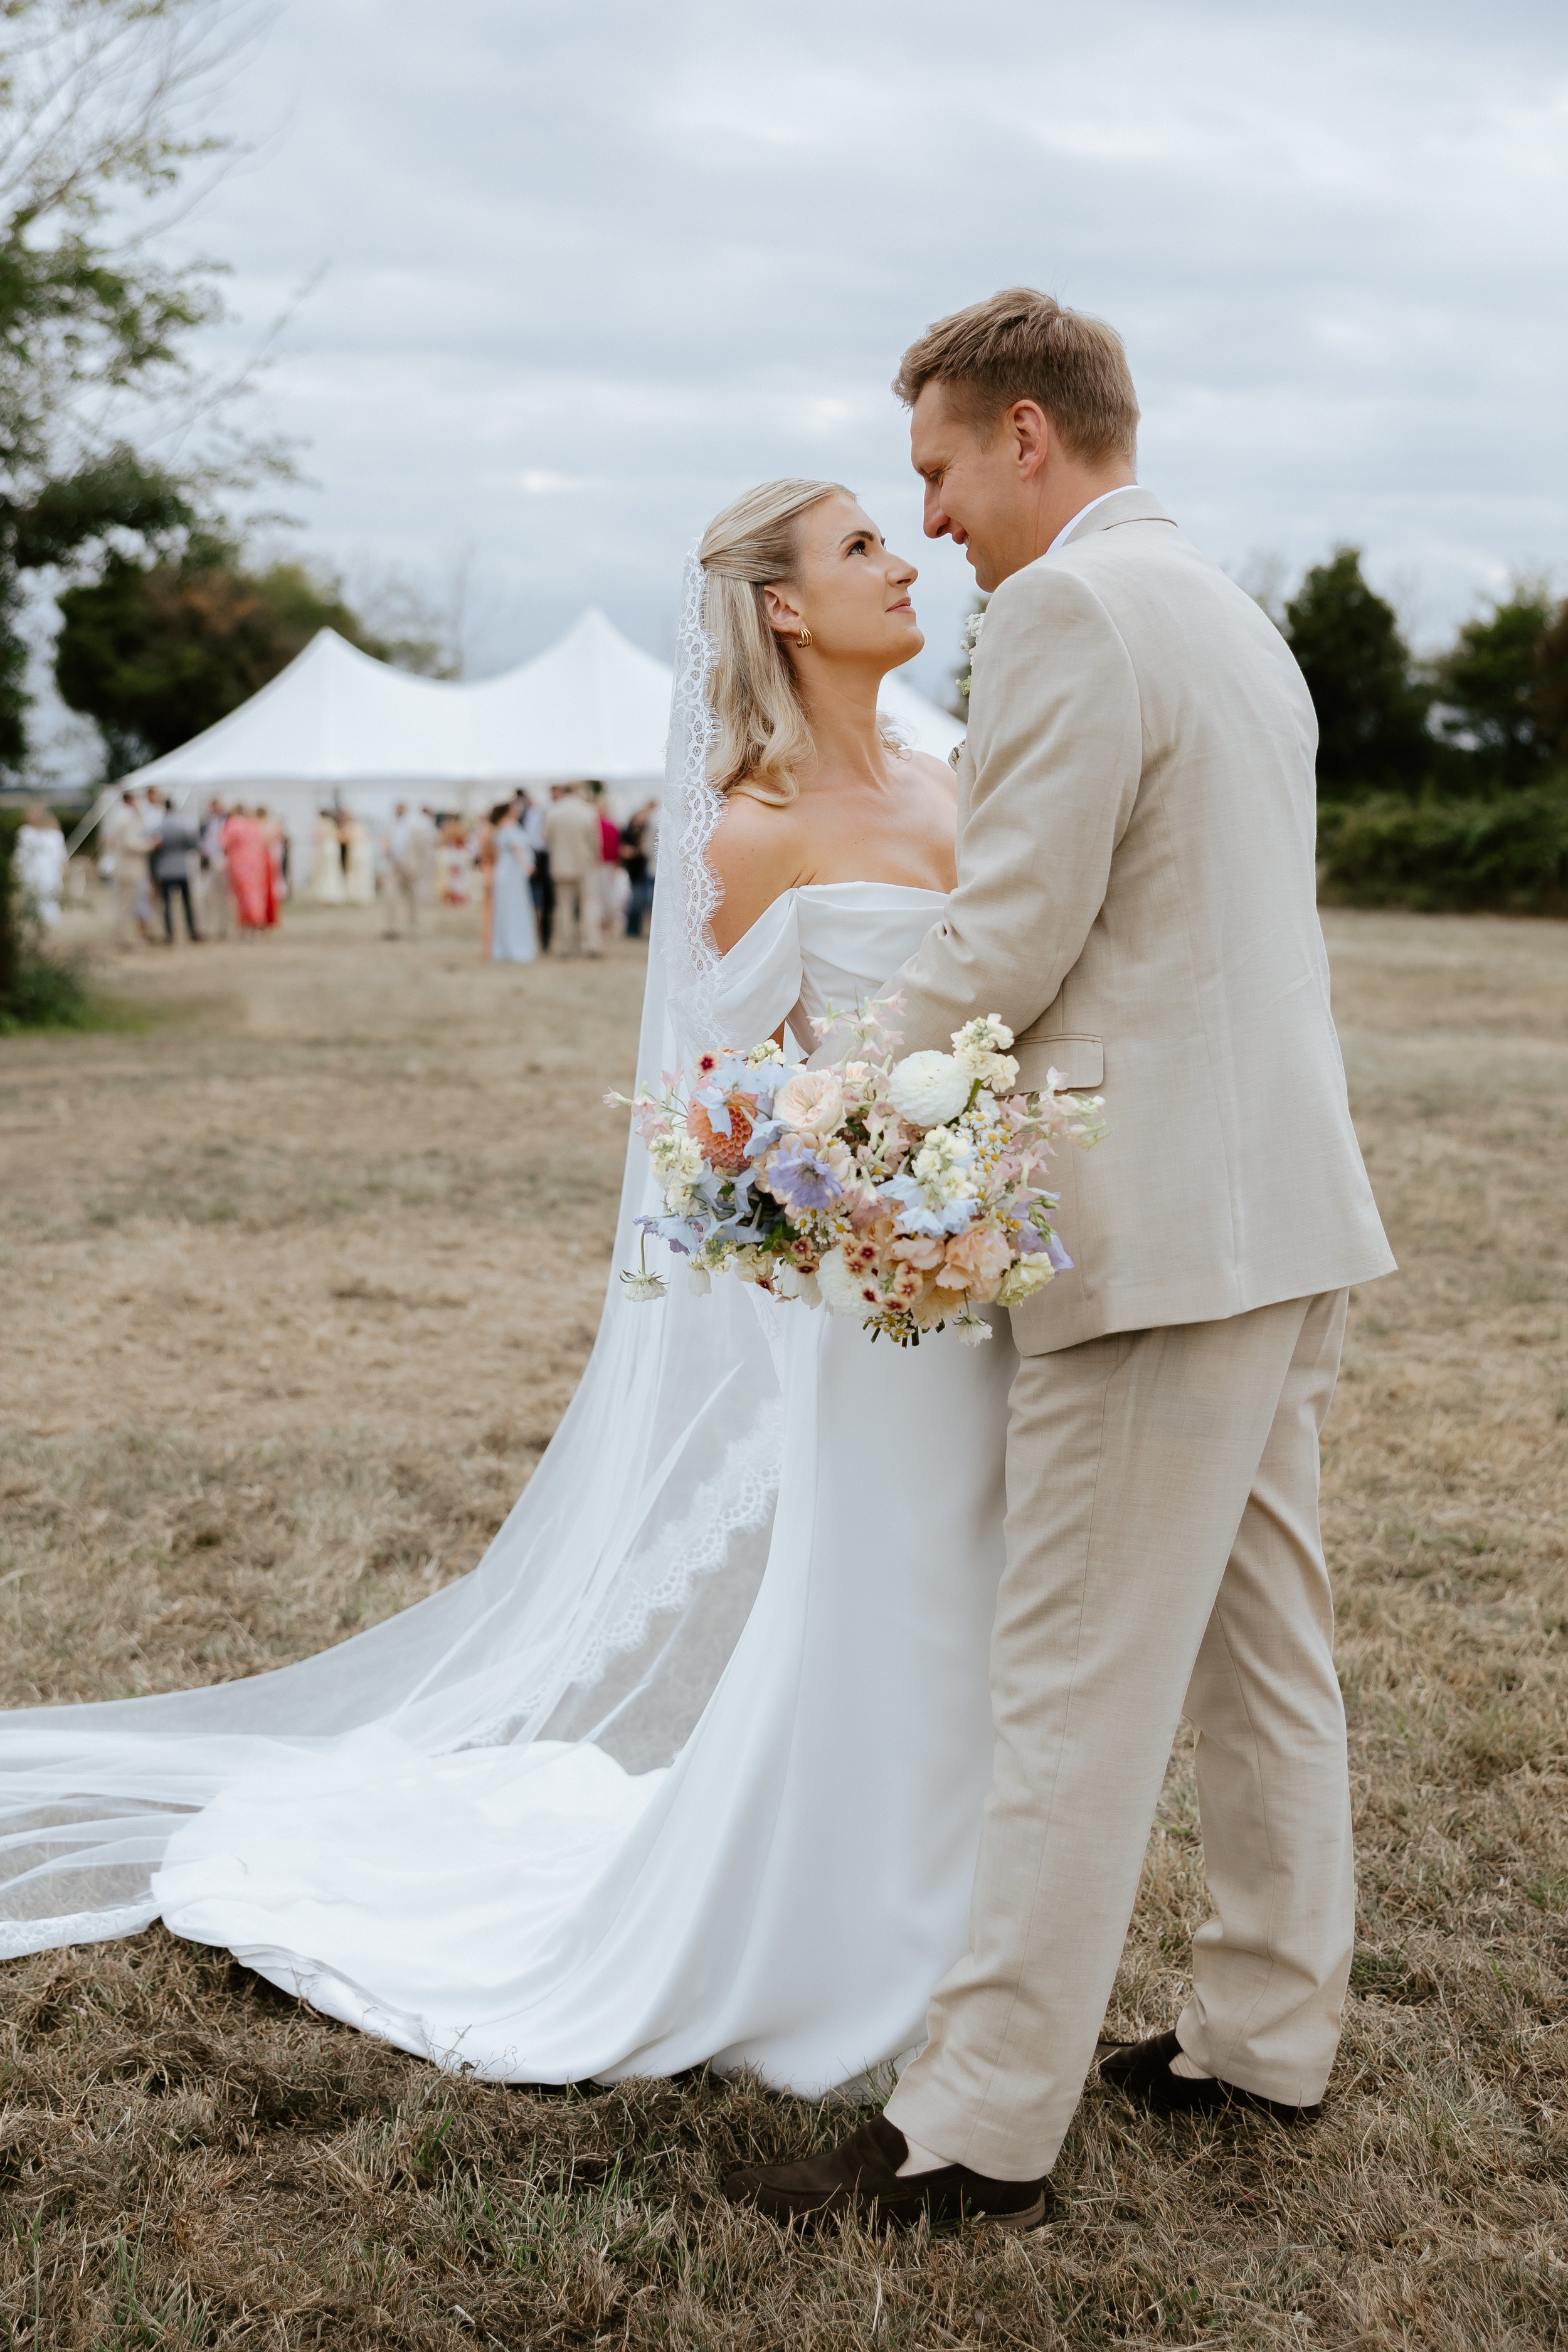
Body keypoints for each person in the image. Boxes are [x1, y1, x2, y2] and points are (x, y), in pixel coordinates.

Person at [0, 472, 1016, 2112]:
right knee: (886, 1601)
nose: (902, 560)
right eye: (859, 546)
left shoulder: (957, 774)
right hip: (874, 1290)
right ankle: (849, 1944)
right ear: (779, 606)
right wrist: (865, 1206)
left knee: (984, 1605)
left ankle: (976, 1926)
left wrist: (997, 1161)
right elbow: (735, 1107)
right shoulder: (753, 826)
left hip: (996, 1266)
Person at [728, 290, 1394, 2230]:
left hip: (1160, 1234)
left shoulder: (1069, 615)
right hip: (1276, 1209)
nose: (927, 517)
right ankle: (1265, 2029)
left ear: (1026, 433)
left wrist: (825, 1108)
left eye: (932, 466)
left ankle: (975, 2120)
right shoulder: (1219, 602)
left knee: (1072, 1674)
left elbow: (1005, 932)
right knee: (1266, 1638)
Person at [541, 783, 601, 956]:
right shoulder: (588, 811)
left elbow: (546, 838)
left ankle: (565, 947)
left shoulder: (553, 812)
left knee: (564, 907)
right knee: (589, 905)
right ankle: (591, 945)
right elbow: (595, 841)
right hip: (585, 865)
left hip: (561, 866)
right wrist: (596, 858)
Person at [487, 797, 538, 964]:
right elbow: (517, 848)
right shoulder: (510, 826)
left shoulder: (501, 826)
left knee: (508, 908)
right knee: (514, 908)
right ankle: (514, 946)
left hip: (506, 872)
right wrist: (527, 865)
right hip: (512, 873)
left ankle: (505, 947)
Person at [107, 790, 156, 948]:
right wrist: (150, 845)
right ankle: (123, 938)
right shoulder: (128, 818)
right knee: (127, 905)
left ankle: (123, 937)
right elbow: (130, 843)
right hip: (131, 870)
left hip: (124, 868)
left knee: (124, 905)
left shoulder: (120, 817)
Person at [149, 801, 202, 944]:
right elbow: (193, 845)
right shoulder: (183, 826)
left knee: (167, 904)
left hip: (164, 869)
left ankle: (169, 934)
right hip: (181, 869)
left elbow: (153, 848)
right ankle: (192, 931)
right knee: (187, 903)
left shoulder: (158, 827)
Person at [14, 803, 66, 928]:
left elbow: (61, 859)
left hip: (50, 878)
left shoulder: (55, 835)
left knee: (48, 908)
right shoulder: (25, 833)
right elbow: (20, 858)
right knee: (34, 908)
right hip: (31, 877)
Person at [223, 805, 273, 935]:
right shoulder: (254, 824)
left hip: (240, 863)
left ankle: (248, 925)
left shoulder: (234, 824)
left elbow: (224, 842)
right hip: (257, 863)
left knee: (243, 896)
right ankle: (258, 924)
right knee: (256, 893)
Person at [620, 800, 657, 939]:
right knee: (636, 900)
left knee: (642, 900)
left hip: (643, 869)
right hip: (635, 871)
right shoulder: (629, 831)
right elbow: (624, 850)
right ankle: (632, 929)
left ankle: (635, 929)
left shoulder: (646, 829)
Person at [383, 801, 420, 938]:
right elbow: (386, 843)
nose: (397, 811)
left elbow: (420, 849)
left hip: (410, 868)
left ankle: (412, 927)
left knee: (412, 899)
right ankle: (391, 928)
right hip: (394, 867)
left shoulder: (414, 826)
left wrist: (417, 867)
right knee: (390, 897)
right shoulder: (390, 825)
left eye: (400, 808)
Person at [521, 789, 553, 950]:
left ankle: (545, 937)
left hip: (547, 860)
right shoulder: (525, 815)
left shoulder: (549, 814)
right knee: (531, 898)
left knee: (547, 902)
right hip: (531, 858)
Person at [200, 800, 234, 940]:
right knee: (207, 896)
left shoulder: (228, 822)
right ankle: (204, 928)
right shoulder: (205, 823)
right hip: (210, 861)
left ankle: (223, 928)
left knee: (225, 897)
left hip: (224, 860)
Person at [310, 810, 347, 904]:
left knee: (325, 871)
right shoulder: (333, 824)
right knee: (332, 870)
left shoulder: (324, 824)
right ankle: (333, 893)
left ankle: (327, 894)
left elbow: (320, 837)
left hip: (326, 849)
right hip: (333, 849)